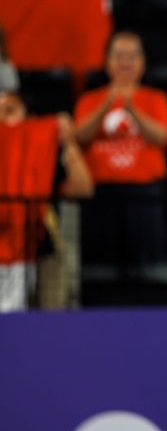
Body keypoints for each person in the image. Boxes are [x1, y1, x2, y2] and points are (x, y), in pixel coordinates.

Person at [74, 31, 167, 273]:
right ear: (107, 61)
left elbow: (163, 137)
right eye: (119, 56)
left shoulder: (156, 99)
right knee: (100, 270)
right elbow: (79, 136)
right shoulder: (89, 100)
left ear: (143, 62)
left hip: (144, 197)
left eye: (132, 56)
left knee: (145, 270)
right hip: (101, 197)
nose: (125, 63)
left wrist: (134, 110)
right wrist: (106, 105)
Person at [0, 91, 93, 311]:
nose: (2, 119)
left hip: (43, 253)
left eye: (9, 111)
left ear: (30, 119)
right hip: (4, 259)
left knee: (48, 323)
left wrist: (68, 143)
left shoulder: (42, 161)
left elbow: (83, 188)